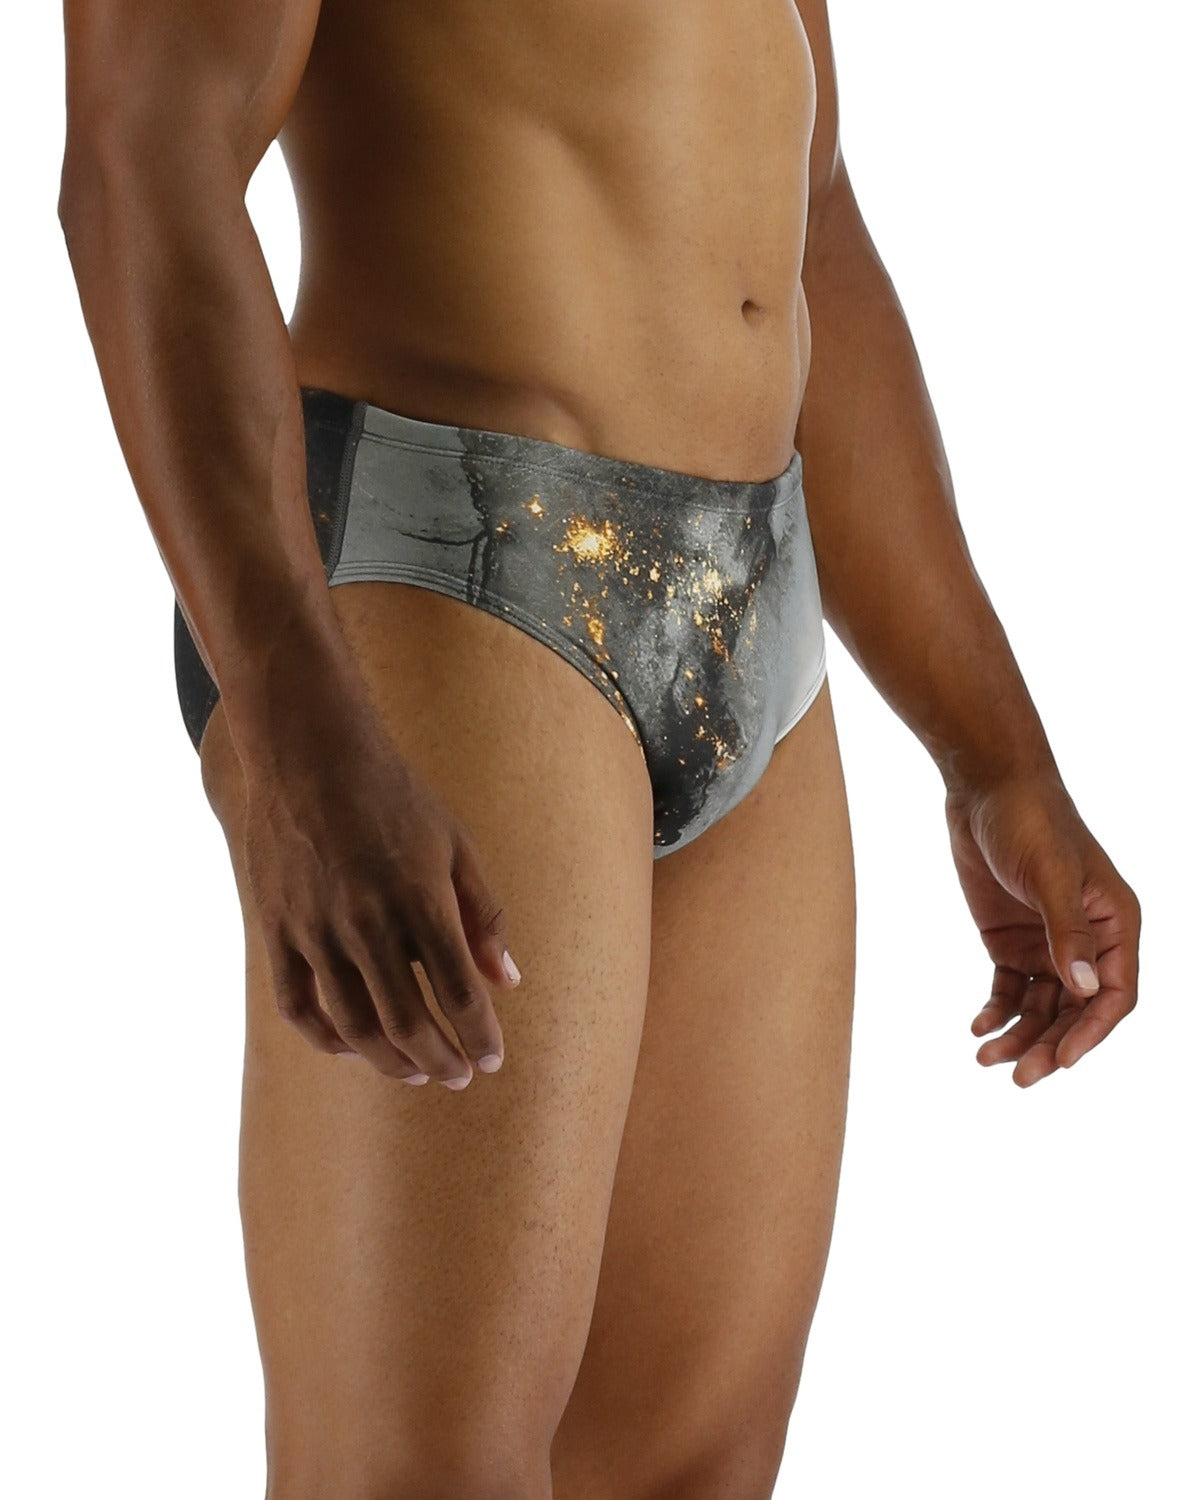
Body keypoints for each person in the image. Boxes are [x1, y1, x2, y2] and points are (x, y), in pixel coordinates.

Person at [57, 0, 1141, 1495]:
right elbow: (144, 162)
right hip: (454, 575)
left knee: (685, 1473)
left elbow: (811, 217)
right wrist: (297, 734)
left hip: (759, 586)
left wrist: (997, 754)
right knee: (416, 1478)